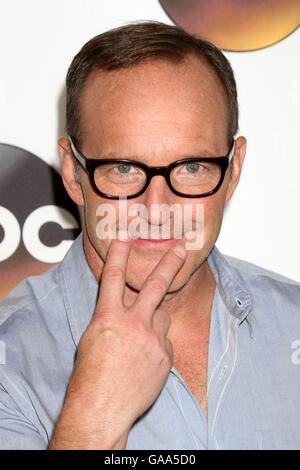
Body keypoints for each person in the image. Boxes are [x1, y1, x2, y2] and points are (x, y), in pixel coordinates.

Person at [0, 21, 299, 451]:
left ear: (233, 171)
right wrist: (93, 419)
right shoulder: (10, 363)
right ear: (72, 172)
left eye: (191, 167)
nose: (156, 210)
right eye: (124, 168)